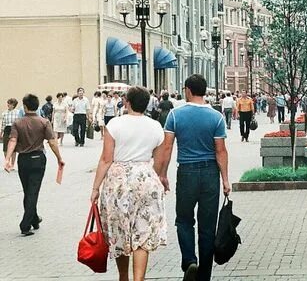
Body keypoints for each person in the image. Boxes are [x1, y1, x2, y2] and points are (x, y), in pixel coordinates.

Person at [90, 87, 166, 281]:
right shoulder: (156, 126)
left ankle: (123, 277)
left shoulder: (115, 124)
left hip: (118, 181)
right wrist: (152, 179)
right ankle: (138, 279)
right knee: (142, 233)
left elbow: (106, 159)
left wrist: (95, 188)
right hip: (146, 178)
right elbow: (159, 161)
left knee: (120, 231)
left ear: (127, 102)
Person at [159, 74, 230, 281]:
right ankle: (204, 275)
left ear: (188, 90)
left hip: (187, 172)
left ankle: (190, 260)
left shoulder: (175, 114)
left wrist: (162, 174)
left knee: (183, 220)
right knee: (207, 226)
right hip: (210, 174)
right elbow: (221, 151)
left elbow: (167, 146)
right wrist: (225, 180)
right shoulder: (216, 117)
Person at [3, 94, 64, 236]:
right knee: (33, 191)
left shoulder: (18, 123)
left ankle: (34, 219)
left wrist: (7, 159)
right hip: (38, 159)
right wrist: (59, 158)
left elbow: (12, 140)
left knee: (28, 191)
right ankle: (25, 224)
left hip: (23, 160)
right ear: (36, 106)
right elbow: (52, 142)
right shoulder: (44, 122)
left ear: (24, 106)